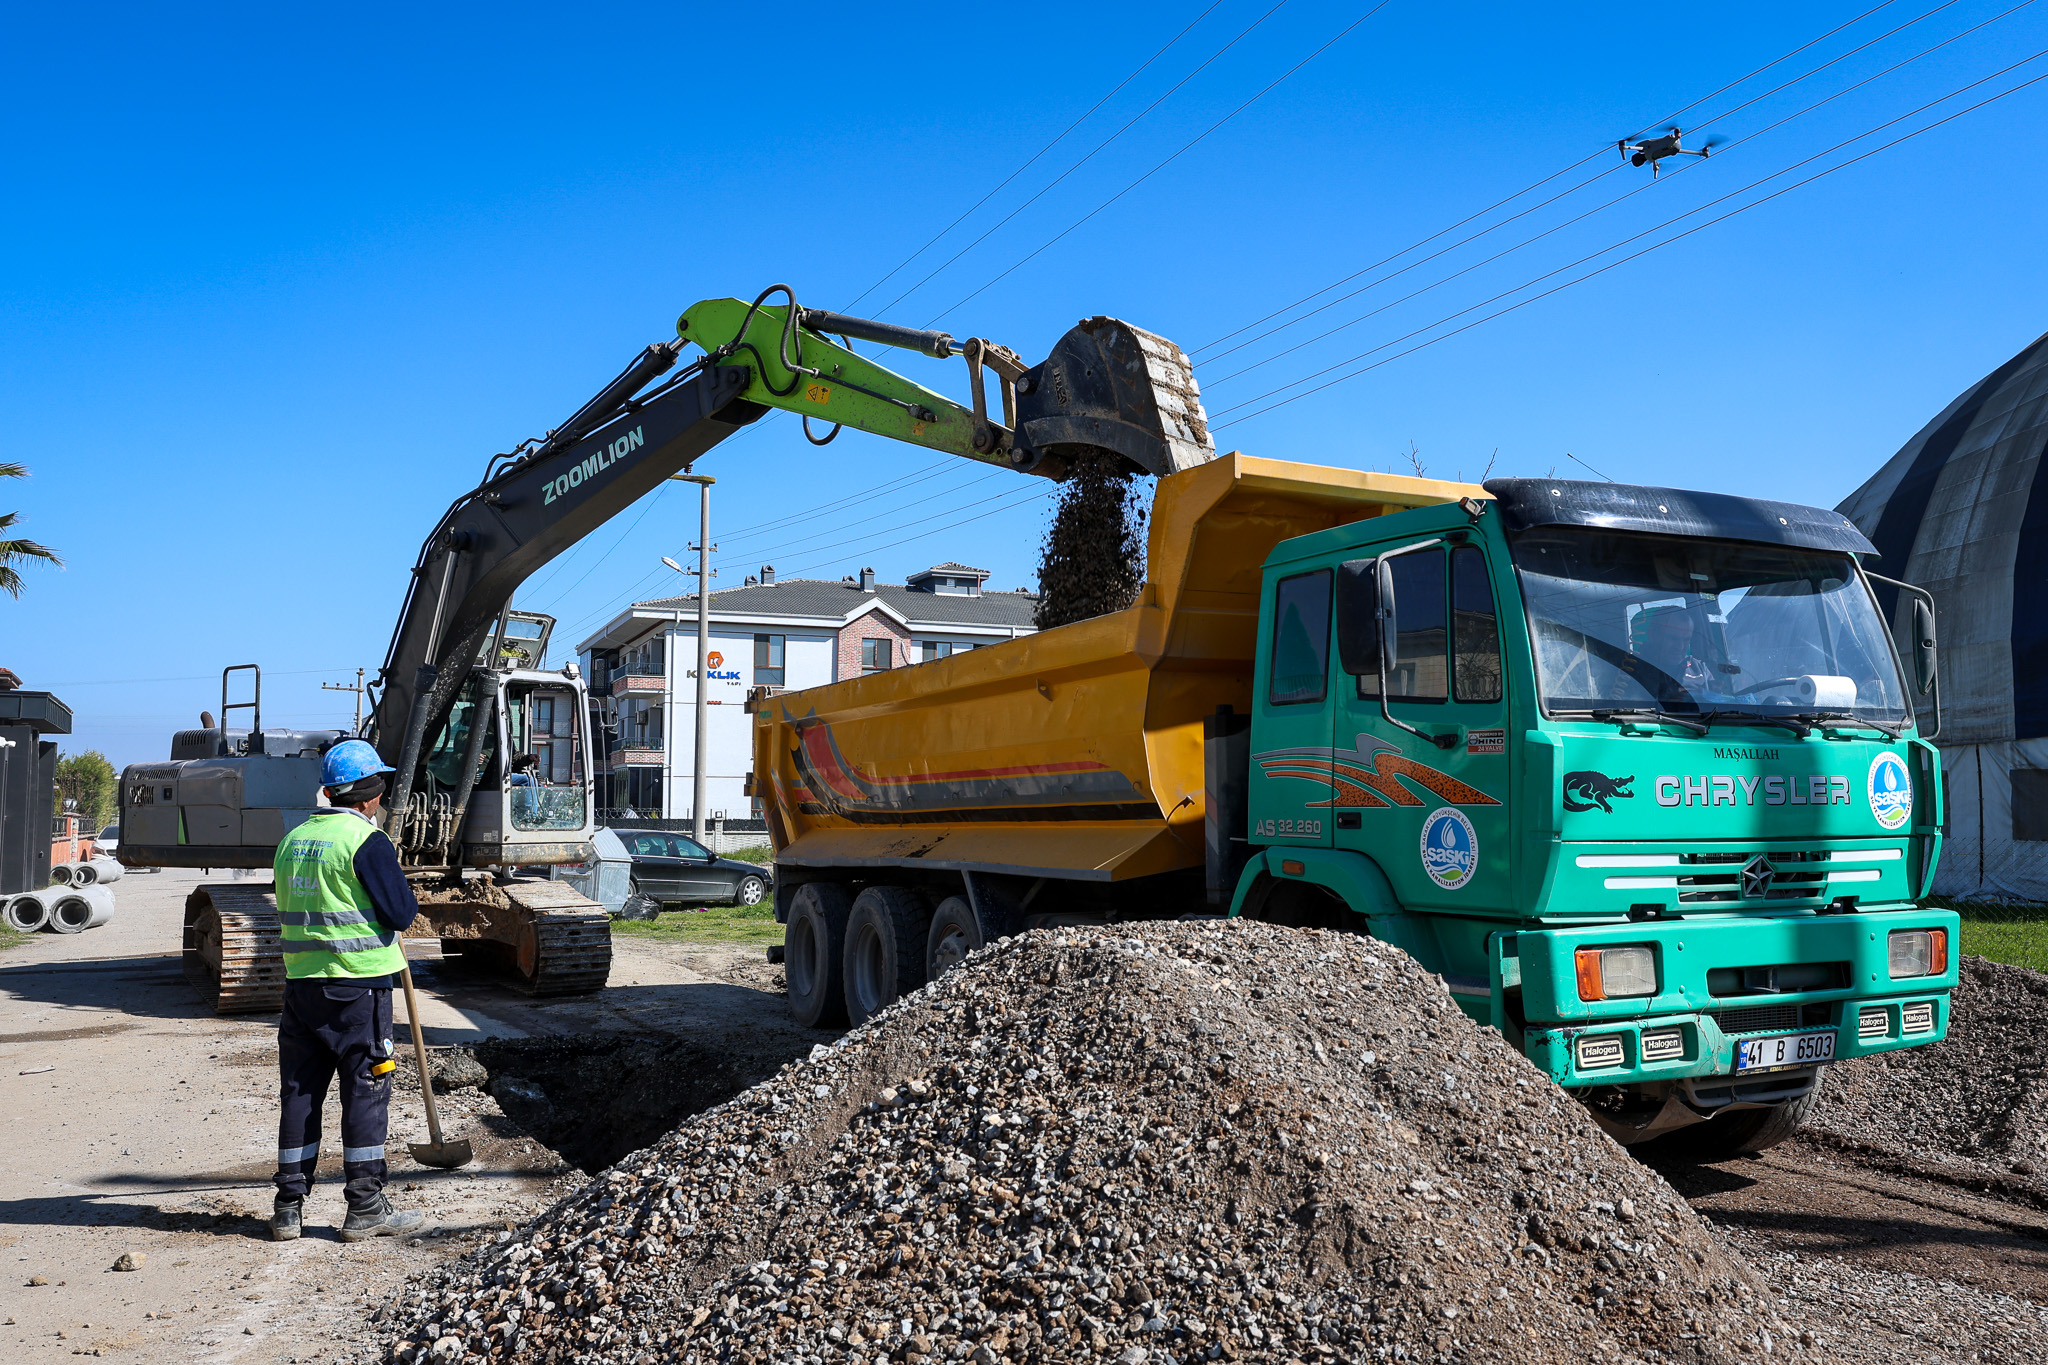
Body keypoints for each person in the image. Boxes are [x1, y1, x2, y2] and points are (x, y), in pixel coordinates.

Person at [267, 739, 428, 1243]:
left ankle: (288, 1207)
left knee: (299, 1094)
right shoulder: (366, 841)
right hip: (358, 989)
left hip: (301, 989)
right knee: (366, 1090)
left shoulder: (294, 840)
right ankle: (364, 1207)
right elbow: (402, 913)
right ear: (372, 793)